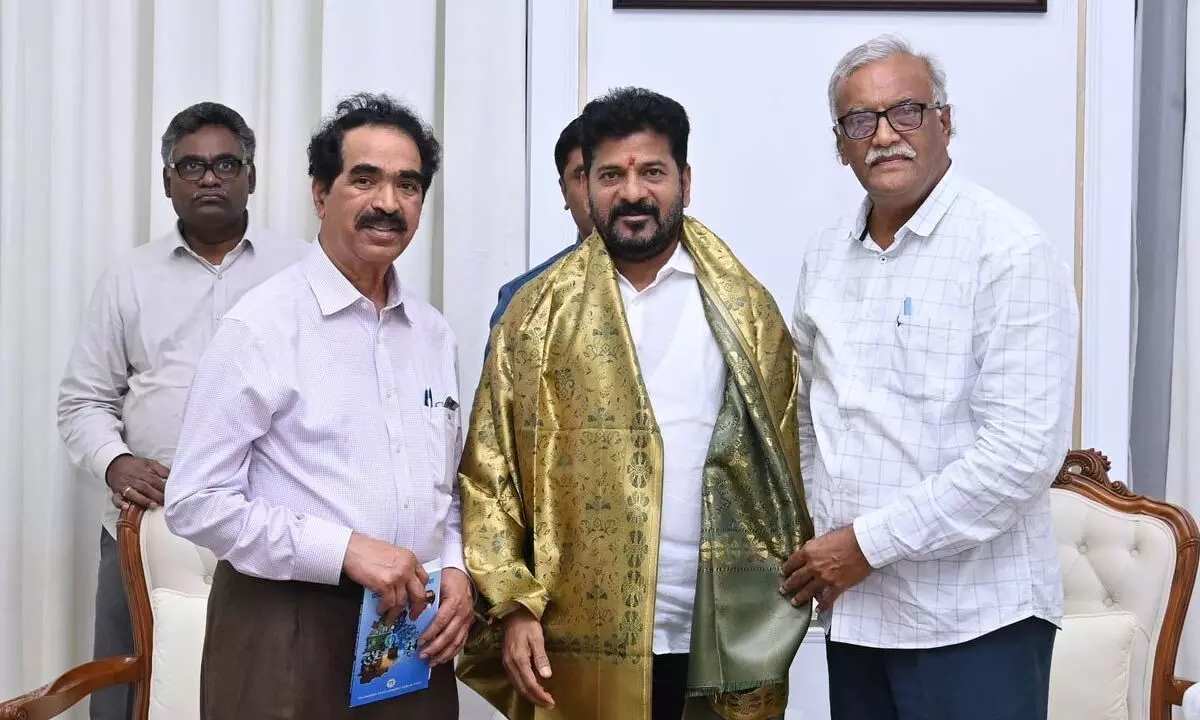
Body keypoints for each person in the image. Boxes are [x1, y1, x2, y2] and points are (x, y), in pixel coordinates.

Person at [458, 86, 813, 720]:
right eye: (611, 175)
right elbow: (491, 474)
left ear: (684, 180)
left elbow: (788, 460)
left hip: (716, 632)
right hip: (574, 632)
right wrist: (511, 603)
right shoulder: (534, 315)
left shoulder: (744, 309)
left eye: (652, 172)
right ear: (585, 186)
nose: (632, 192)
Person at [782, 35, 1078, 720]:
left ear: (945, 121)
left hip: (976, 622)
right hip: (858, 617)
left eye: (906, 111)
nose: (884, 135)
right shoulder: (826, 255)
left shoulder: (1007, 252)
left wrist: (862, 544)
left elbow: (1020, 456)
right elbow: (809, 416)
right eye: (861, 120)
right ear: (840, 142)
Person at [163, 93, 472, 719]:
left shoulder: (435, 335)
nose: (388, 202)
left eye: (407, 185)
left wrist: (457, 569)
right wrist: (343, 548)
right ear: (319, 192)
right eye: (365, 180)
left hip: (411, 635)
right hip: (284, 628)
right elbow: (195, 501)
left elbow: (451, 487)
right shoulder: (262, 326)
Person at [56, 101, 308, 720]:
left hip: (268, 527)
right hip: (145, 531)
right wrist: (115, 463)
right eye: (191, 166)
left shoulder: (303, 271)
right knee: (123, 696)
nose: (210, 178)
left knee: (273, 693)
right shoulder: (129, 278)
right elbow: (82, 400)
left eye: (226, 163)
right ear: (168, 182)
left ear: (252, 175)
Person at [487, 116, 594, 331]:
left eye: (611, 174)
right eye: (582, 176)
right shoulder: (524, 302)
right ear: (564, 191)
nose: (598, 190)